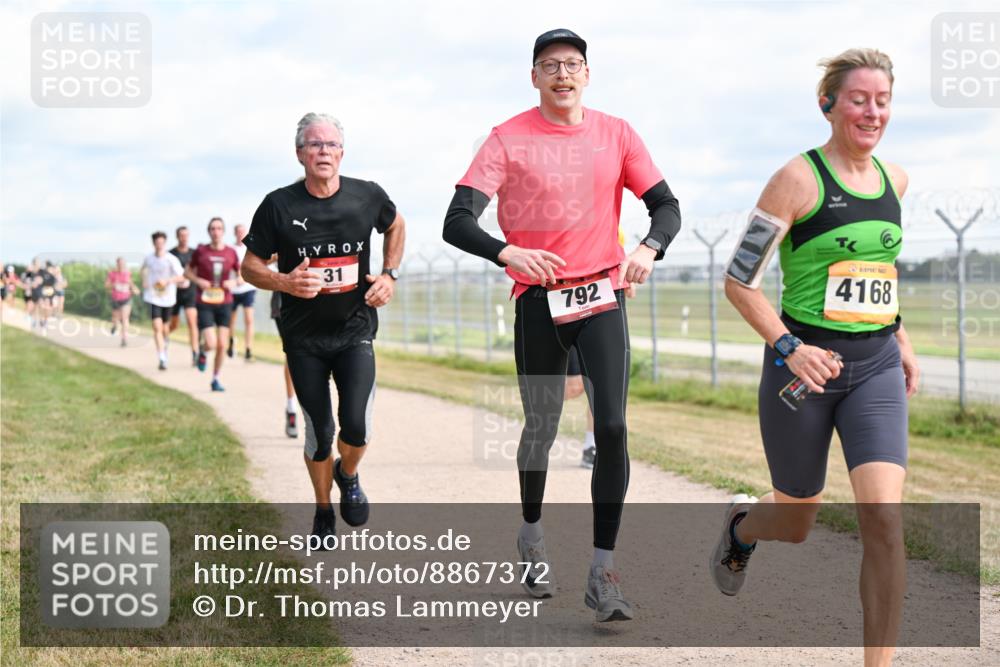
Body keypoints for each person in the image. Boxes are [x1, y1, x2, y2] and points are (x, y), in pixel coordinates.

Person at [442, 29, 681, 622]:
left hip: (602, 293)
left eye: (572, 64)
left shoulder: (617, 133)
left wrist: (649, 248)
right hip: (538, 301)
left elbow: (667, 207)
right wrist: (507, 254)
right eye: (549, 65)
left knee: (614, 426)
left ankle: (603, 573)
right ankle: (530, 532)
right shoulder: (508, 137)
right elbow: (456, 220)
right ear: (534, 77)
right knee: (542, 428)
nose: (562, 74)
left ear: (587, 74)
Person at [711, 48, 918, 667]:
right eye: (859, 99)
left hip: (875, 366)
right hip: (801, 370)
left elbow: (878, 267)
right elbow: (739, 280)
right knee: (798, 519)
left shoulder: (897, 180)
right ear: (828, 105)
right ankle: (744, 526)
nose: (872, 111)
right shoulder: (797, 179)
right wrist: (790, 348)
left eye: (882, 100)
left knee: (883, 520)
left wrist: (899, 336)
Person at [241, 112, 406, 542]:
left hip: (355, 331)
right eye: (314, 145)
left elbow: (396, 225)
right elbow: (249, 266)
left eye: (331, 145)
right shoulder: (278, 205)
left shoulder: (367, 196)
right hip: (303, 340)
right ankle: (322, 510)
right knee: (319, 434)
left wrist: (389, 274)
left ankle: (347, 474)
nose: (323, 152)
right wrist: (283, 281)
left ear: (342, 153)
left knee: (357, 425)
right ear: (300, 154)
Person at [186, 217, 240, 390]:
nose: (216, 232)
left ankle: (215, 378)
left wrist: (235, 282)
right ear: (209, 232)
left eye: (219, 228)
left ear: (223, 232)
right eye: (213, 229)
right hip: (205, 301)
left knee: (223, 345)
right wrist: (198, 280)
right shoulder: (201, 251)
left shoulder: (231, 252)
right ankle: (202, 351)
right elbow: (187, 272)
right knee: (211, 343)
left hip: (225, 301)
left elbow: (243, 274)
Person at [141, 232, 186, 369]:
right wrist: (144, 281)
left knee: (165, 328)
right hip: (153, 297)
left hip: (168, 298)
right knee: (156, 327)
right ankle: (161, 357)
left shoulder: (171, 259)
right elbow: (143, 270)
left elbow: (181, 277)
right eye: (157, 243)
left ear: (164, 243)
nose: (159, 245)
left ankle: (165, 343)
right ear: (154, 243)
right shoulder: (149, 258)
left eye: (162, 243)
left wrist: (167, 281)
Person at [267, 253, 299, 438]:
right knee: (292, 352)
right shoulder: (283, 227)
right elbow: (257, 261)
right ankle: (291, 408)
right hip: (284, 303)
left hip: (317, 299)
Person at [168, 226, 200, 366]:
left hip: (190, 292)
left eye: (186, 235)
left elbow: (199, 270)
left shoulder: (194, 253)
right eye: (181, 235)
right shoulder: (170, 254)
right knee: (174, 325)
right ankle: (163, 337)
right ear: (177, 236)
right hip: (174, 293)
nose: (184, 237)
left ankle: (195, 353)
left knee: (192, 322)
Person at [228, 223, 258, 361]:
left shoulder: (251, 248)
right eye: (238, 232)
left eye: (242, 232)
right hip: (233, 290)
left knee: (249, 319)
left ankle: (248, 349)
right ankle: (230, 343)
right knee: (231, 320)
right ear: (235, 233)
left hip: (248, 288)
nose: (240, 234)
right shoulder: (230, 249)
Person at [105, 257, 139, 347]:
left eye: (122, 264)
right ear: (117, 264)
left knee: (125, 318)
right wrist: (113, 284)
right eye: (119, 263)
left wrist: (135, 289)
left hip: (126, 299)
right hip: (115, 299)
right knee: (115, 318)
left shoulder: (127, 273)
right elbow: (106, 285)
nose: (121, 265)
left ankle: (124, 339)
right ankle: (115, 325)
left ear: (124, 264)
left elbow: (130, 283)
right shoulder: (112, 274)